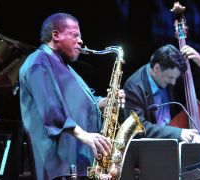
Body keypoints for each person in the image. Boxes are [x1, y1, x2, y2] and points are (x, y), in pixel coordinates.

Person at [19, 13, 125, 179]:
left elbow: (78, 103)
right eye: (75, 35)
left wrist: (107, 102)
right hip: (59, 169)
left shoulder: (65, 67)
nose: (81, 41)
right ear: (56, 35)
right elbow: (50, 110)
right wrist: (84, 135)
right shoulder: (38, 63)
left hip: (78, 165)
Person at [123, 44, 200, 142]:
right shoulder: (133, 87)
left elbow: (196, 89)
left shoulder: (169, 75)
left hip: (175, 140)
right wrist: (177, 133)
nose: (173, 83)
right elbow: (137, 128)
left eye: (175, 78)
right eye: (171, 78)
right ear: (157, 68)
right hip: (153, 147)